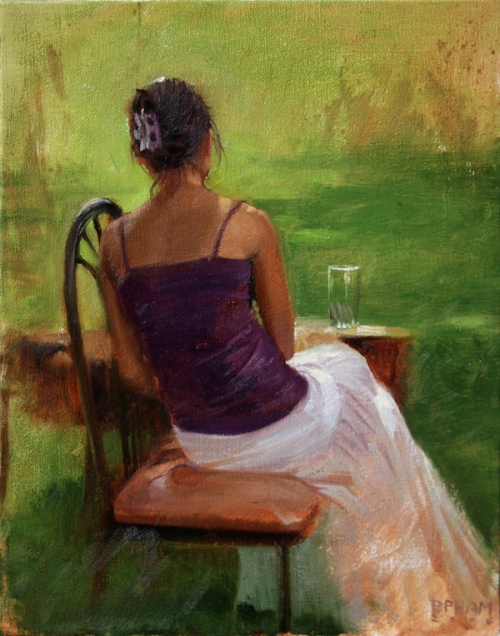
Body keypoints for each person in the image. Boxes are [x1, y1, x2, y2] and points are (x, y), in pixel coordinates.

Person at [99, 77, 498, 635]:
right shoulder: (246, 223)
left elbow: (132, 371)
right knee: (361, 388)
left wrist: (197, 387)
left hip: (201, 441)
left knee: (345, 379)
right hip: (276, 426)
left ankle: (283, 591)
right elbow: (284, 346)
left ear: (143, 155)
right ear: (206, 144)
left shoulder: (114, 243)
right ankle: (397, 592)